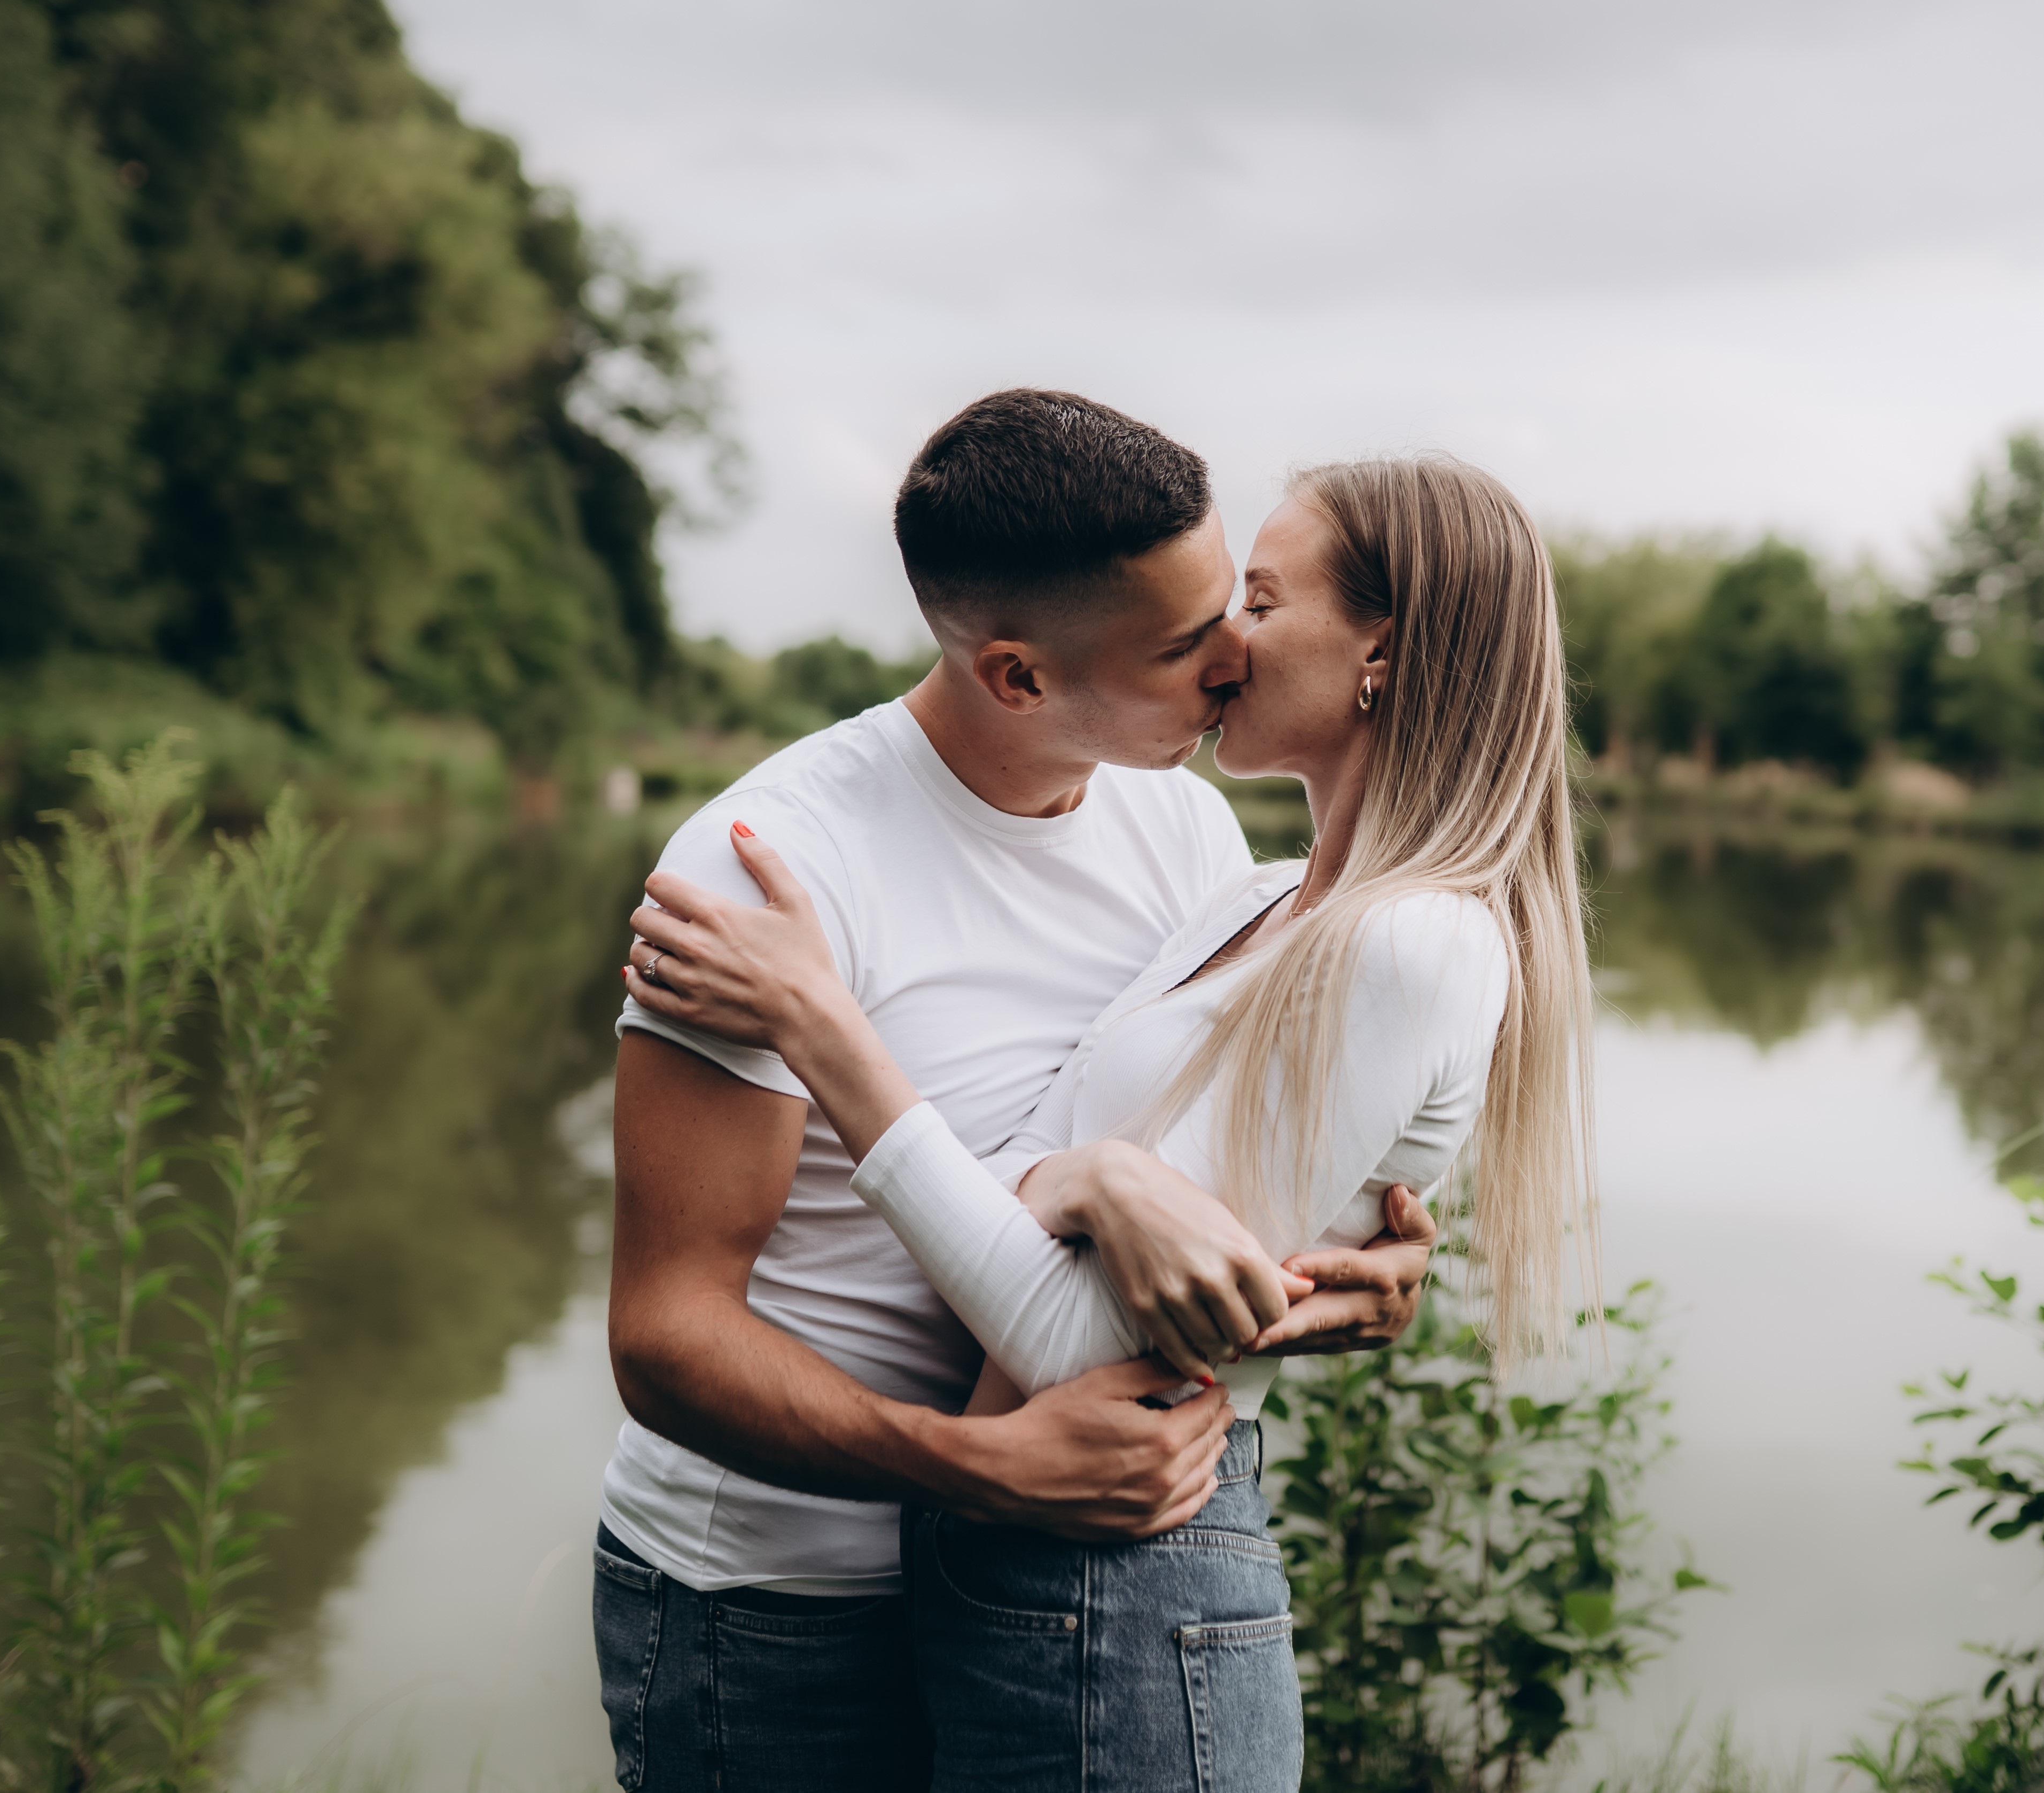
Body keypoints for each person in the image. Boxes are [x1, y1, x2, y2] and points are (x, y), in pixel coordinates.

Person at [627, 453, 1597, 1793]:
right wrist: (1085, 1197)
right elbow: (675, 1321)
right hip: (790, 1595)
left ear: (1382, 651)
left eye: (1253, 601)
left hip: (1105, 1579)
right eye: (1199, 626)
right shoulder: (1238, 895)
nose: (1228, 651)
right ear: (1018, 673)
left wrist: (839, 1039)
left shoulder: (1245, 863)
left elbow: (1104, 1308)